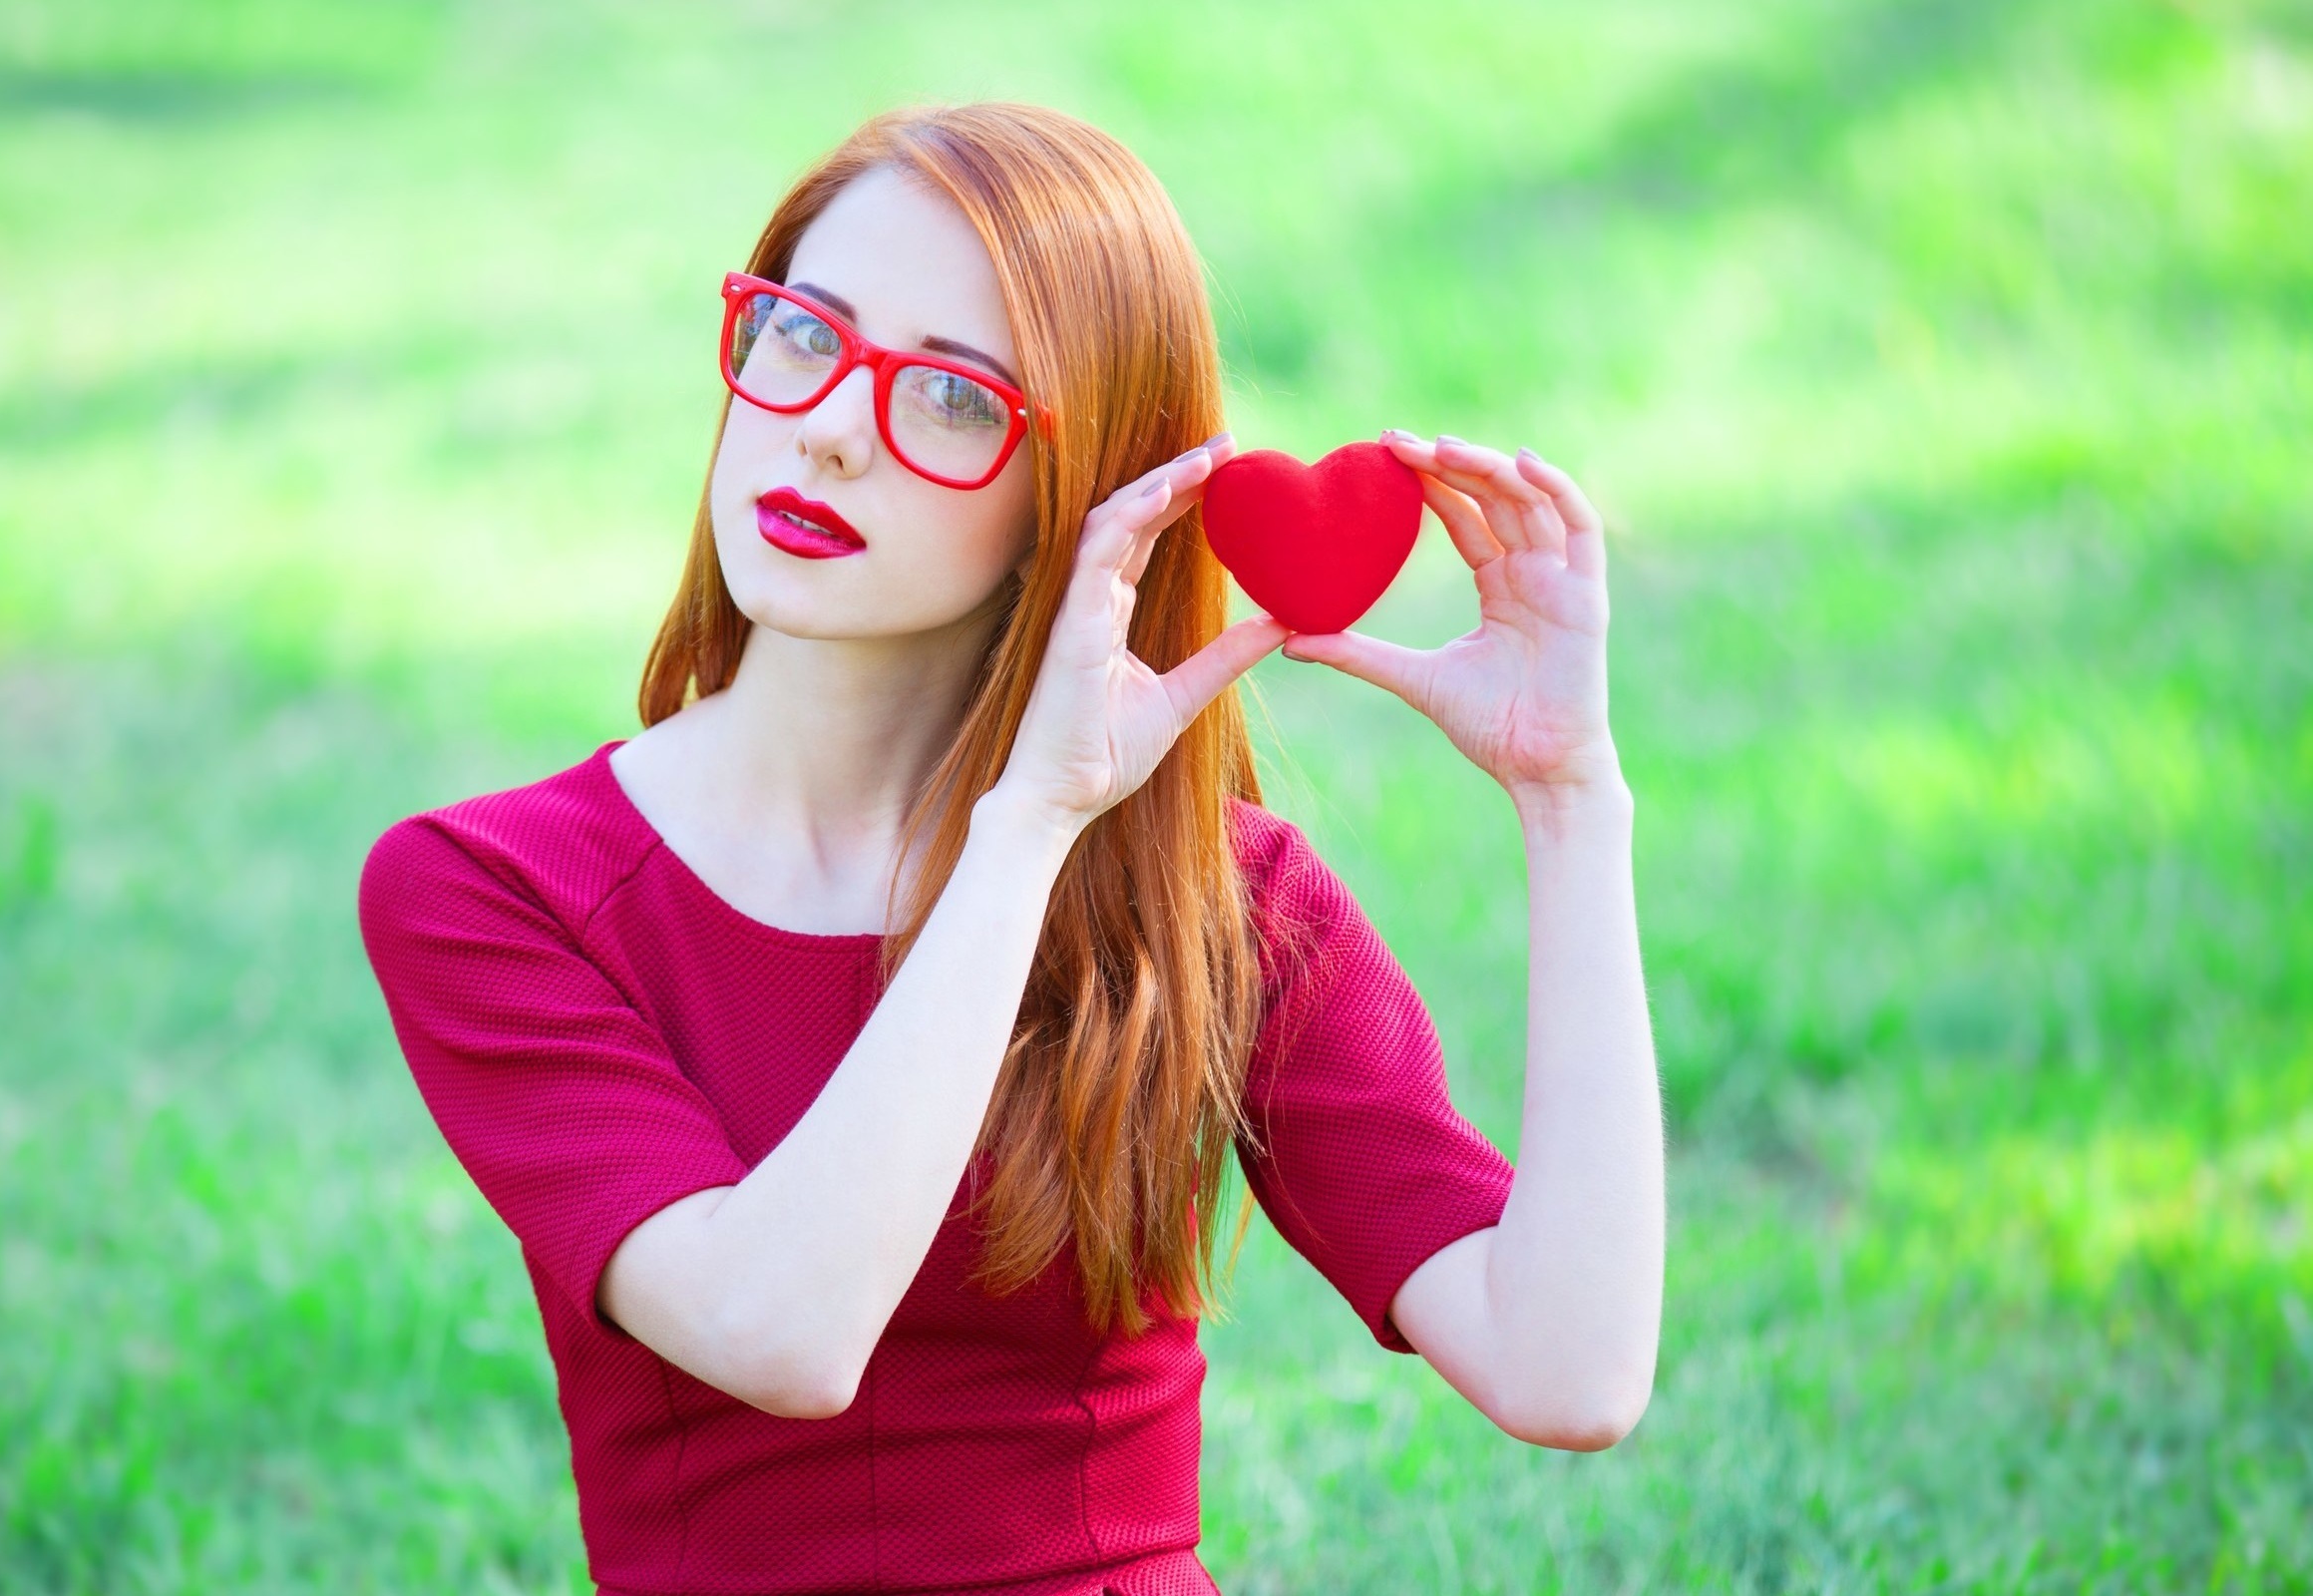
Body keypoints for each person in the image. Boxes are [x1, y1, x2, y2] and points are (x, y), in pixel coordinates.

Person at [357, 100, 1661, 1596]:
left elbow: (1569, 1372)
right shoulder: (500, 889)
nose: (833, 426)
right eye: (800, 331)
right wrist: (1025, 826)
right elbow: (779, 1331)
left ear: (1085, 497)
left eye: (959, 401)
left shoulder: (1211, 901)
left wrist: (1571, 801)